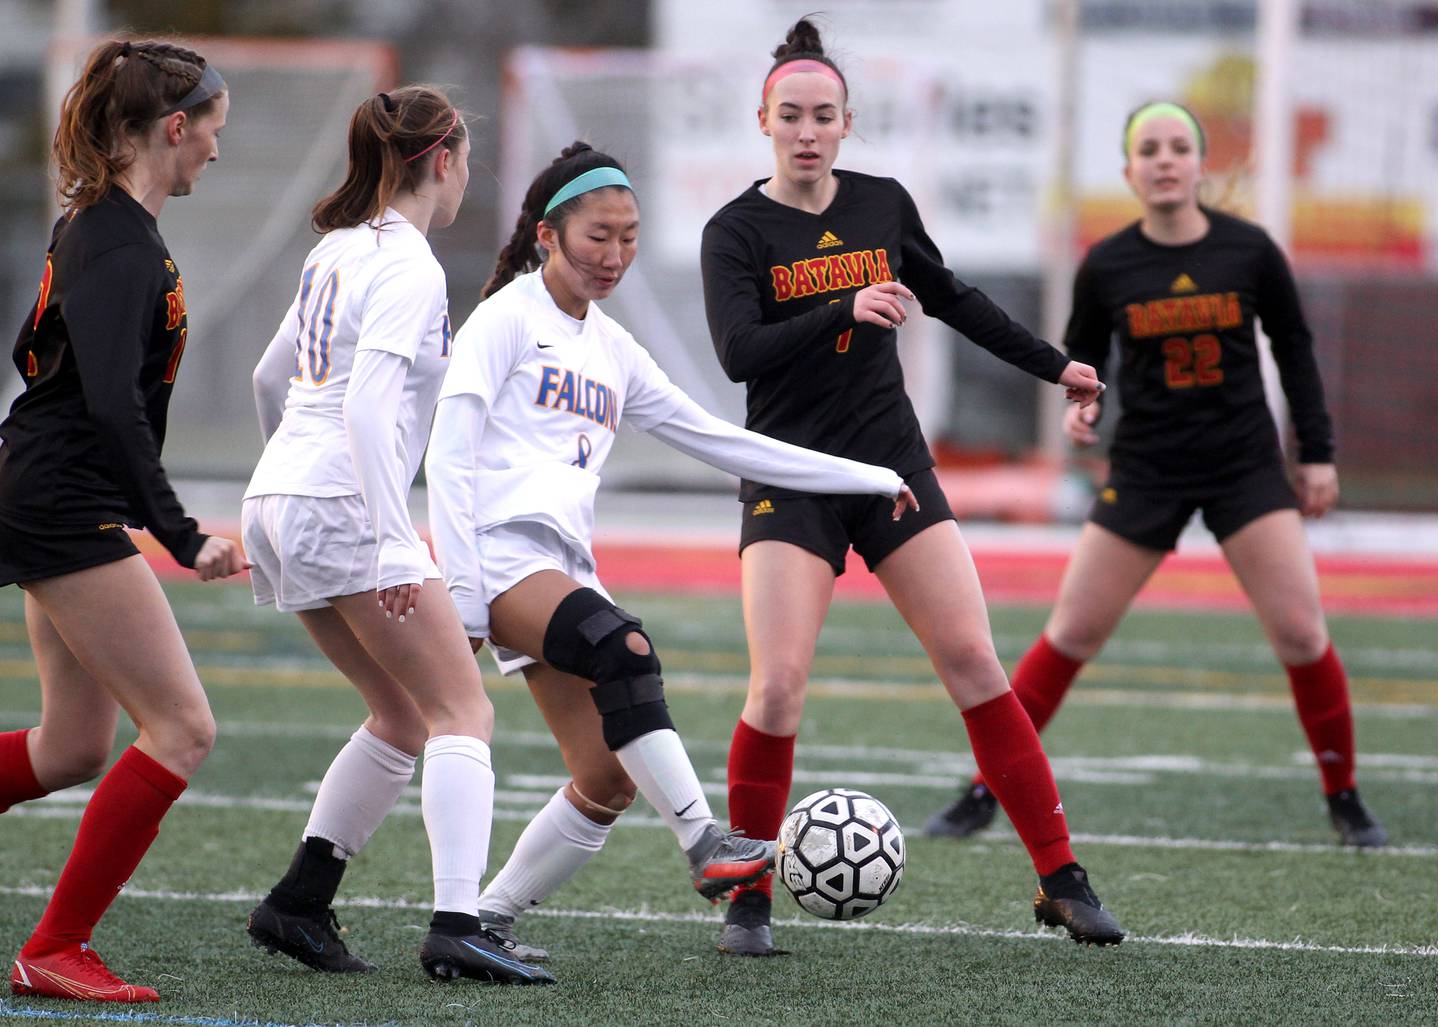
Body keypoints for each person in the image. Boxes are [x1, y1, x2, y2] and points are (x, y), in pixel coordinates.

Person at [419, 142, 918, 961]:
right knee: (626, 647)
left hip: (558, 567)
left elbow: (722, 440)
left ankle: (481, 921)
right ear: (548, 234)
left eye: (630, 236)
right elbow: (448, 452)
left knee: (607, 778)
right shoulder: (507, 317)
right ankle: (703, 842)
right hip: (498, 555)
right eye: (596, 237)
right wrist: (464, 588)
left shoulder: (611, 347)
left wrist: (863, 474)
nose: (614, 256)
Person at [699, 18, 1126, 956]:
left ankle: (1061, 879)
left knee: (976, 664)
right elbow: (739, 355)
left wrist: (1060, 368)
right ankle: (749, 897)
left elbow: (958, 298)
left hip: (890, 466)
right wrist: (839, 307)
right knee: (776, 688)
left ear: (847, 122)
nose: (806, 131)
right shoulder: (734, 231)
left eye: (823, 115)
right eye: (790, 116)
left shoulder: (883, 205)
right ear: (762, 120)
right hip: (792, 474)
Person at [923, 101, 1388, 850]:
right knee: (1072, 630)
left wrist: (1318, 452)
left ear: (1202, 164)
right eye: (1150, 149)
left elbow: (1295, 350)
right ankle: (984, 789)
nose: (1165, 159)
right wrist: (1081, 409)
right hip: (1146, 466)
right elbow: (1084, 360)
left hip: (1242, 463)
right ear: (1128, 170)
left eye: (1179, 147)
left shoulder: (1251, 251)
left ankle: (1347, 797)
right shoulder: (1108, 263)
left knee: (1302, 632)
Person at [239, 86, 552, 986]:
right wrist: (385, 536)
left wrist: (298, 486)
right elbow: (372, 407)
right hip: (340, 503)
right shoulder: (409, 262)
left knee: (404, 714)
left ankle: (299, 901)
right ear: (444, 159)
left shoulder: (337, 247)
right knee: (466, 710)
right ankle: (459, 921)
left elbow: (272, 377)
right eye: (465, 160)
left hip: (281, 498)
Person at [0, 40, 245, 1003]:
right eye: (213, 132)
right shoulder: (114, 240)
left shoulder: (108, 229)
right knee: (183, 727)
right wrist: (181, 535)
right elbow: (111, 404)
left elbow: (39, 361)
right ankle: (56, 945)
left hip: (49, 489)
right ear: (174, 129)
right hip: (63, 502)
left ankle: (55, 943)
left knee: (72, 746)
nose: (218, 153)